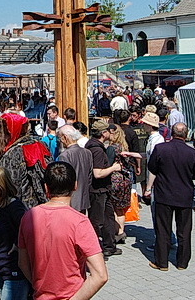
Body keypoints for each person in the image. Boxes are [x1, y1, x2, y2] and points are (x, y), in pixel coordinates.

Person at [18, 162, 108, 299]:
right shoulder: (79, 222)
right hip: (71, 295)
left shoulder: (29, 217)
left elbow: (22, 262)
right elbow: (100, 275)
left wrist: (39, 284)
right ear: (75, 186)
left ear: (46, 187)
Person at [144, 123, 195, 271]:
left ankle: (162, 262)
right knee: (184, 231)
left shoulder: (161, 149)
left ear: (172, 133)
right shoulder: (193, 153)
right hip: (184, 195)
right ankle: (182, 262)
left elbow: (152, 168)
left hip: (164, 194)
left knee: (163, 229)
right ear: (186, 134)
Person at [0, 166, 29, 300]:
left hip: (14, 271)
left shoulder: (14, 207)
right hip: (3, 269)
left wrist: (18, 245)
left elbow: (29, 232)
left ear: (2, 186)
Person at [85, 119, 122, 257]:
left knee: (108, 218)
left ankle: (109, 246)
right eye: (108, 131)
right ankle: (94, 251)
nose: (110, 133)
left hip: (103, 190)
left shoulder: (93, 145)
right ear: (103, 133)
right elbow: (98, 173)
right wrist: (113, 168)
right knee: (97, 221)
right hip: (97, 190)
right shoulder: (97, 150)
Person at [56, 125, 93, 213]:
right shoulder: (87, 152)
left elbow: (64, 180)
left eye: (60, 138)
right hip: (84, 197)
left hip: (70, 200)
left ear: (65, 138)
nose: (60, 141)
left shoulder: (65, 155)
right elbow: (89, 176)